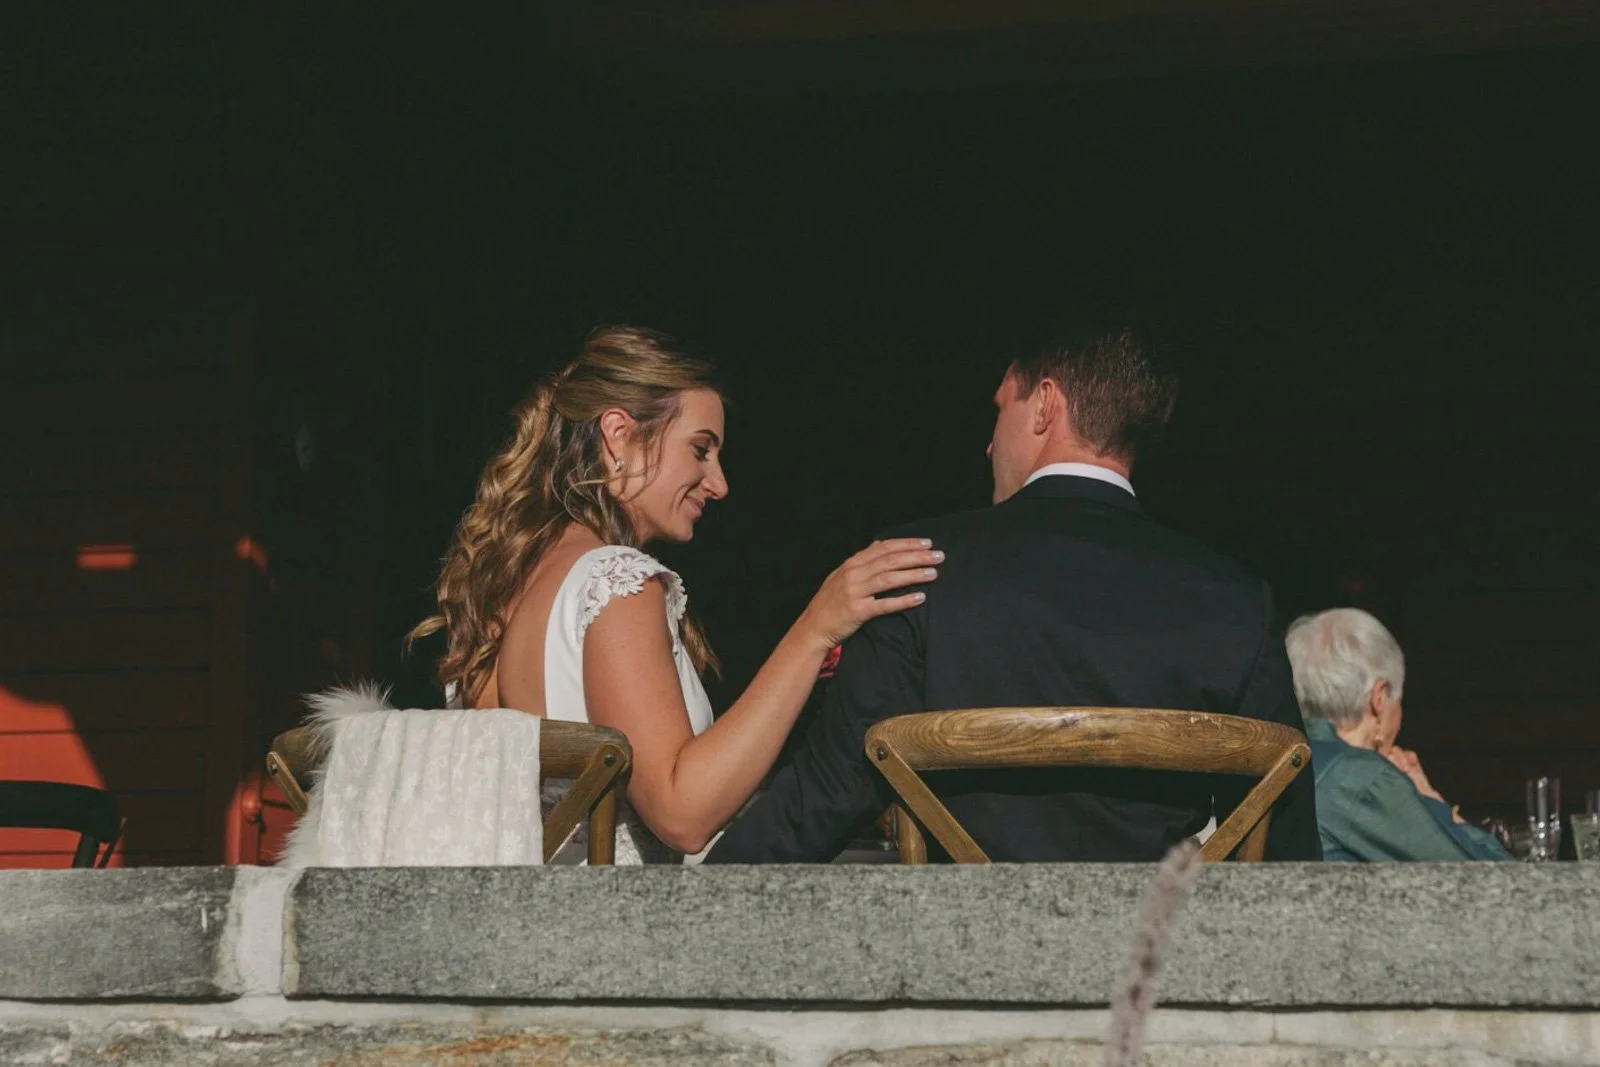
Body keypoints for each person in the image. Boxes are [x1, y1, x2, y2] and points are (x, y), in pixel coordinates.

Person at [705, 327, 1322, 863]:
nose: (989, 444)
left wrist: (691, 906)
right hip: (1152, 969)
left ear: (1044, 405)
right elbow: (1283, 844)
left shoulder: (919, 567)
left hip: (963, 970)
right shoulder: (1238, 601)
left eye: (1000, 410)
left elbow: (828, 798)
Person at [409, 326, 940, 864]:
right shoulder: (618, 583)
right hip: (624, 929)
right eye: (700, 450)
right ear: (618, 435)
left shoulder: (506, 585)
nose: (719, 483)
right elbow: (682, 814)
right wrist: (814, 629)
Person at [1285, 608, 1509, 861]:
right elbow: (1502, 884)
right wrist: (1432, 800)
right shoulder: (1362, 778)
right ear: (1379, 698)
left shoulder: (1282, 759)